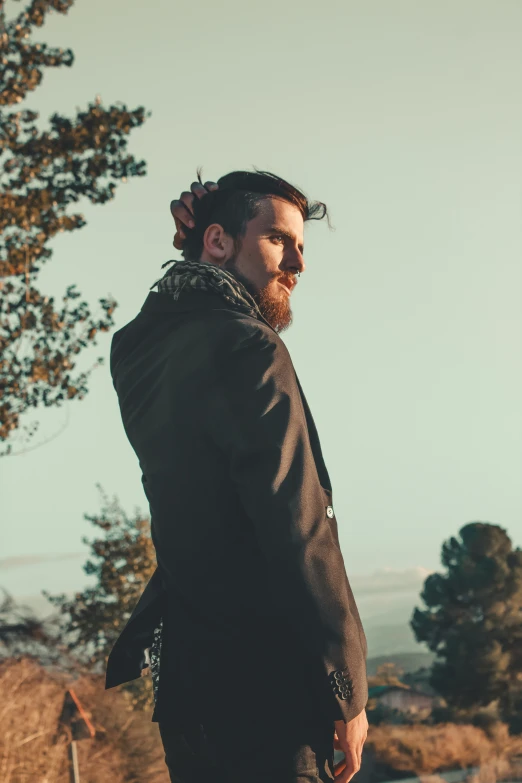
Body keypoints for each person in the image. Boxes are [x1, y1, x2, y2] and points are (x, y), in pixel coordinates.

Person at [105, 169, 369, 783]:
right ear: (220, 242)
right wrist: (347, 690)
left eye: (301, 245)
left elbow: (183, 300)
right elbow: (297, 523)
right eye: (280, 240)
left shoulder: (138, 348)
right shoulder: (249, 346)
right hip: (267, 696)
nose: (298, 263)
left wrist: (204, 240)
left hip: (187, 694)